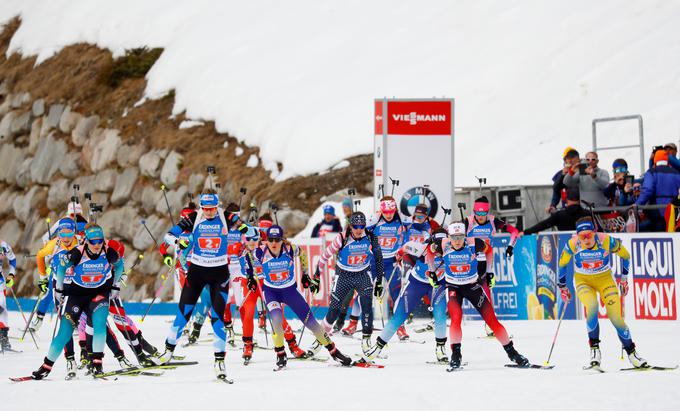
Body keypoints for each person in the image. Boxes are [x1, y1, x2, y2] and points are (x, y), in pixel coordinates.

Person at [158, 189, 247, 381]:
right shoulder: (193, 217)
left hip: (220, 274)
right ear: (201, 207)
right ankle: (168, 350)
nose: (209, 212)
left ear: (217, 206)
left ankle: (219, 361)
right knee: (183, 314)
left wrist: (249, 233)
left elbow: (246, 229)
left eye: (212, 208)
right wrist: (179, 241)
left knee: (218, 318)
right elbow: (167, 237)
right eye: (206, 208)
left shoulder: (226, 216)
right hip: (197, 272)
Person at [245, 225, 352, 369]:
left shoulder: (290, 249)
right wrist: (250, 277)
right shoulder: (260, 252)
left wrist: (305, 274)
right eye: (270, 240)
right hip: (271, 292)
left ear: (282, 240)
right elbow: (248, 257)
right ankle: (281, 354)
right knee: (277, 322)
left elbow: (302, 255)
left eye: (277, 240)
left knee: (312, 323)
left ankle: (334, 351)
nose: (274, 243)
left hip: (290, 291)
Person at [31, 224, 124, 379]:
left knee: (99, 324)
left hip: (99, 293)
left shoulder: (108, 252)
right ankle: (46, 366)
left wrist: (116, 285)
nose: (97, 245)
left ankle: (97, 364)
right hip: (77, 294)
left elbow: (120, 264)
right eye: (93, 241)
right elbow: (61, 267)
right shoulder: (77, 253)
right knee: (65, 332)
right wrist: (59, 289)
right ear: (86, 241)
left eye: (100, 241)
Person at [557, 217, 646, 368]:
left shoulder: (605, 240)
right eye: (582, 236)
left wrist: (624, 280)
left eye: (589, 235)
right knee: (592, 306)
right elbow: (562, 263)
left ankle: (632, 354)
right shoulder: (573, 244)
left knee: (616, 318)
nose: (585, 239)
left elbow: (626, 256)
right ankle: (595, 351)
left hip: (605, 280)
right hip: (583, 281)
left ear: (594, 232)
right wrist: (562, 287)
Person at [438, 223, 529, 370]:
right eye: (454, 237)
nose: (457, 241)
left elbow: (490, 250)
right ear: (449, 237)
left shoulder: (475, 243)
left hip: (472, 286)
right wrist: (430, 271)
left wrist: (489, 271)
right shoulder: (442, 244)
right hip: (453, 287)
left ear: (464, 236)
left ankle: (513, 353)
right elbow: (427, 252)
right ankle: (456, 355)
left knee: (492, 320)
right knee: (456, 318)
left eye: (460, 237)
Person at [364, 229, 449, 363]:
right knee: (399, 316)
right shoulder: (420, 248)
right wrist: (399, 256)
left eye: (443, 246)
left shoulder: (451, 250)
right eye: (436, 245)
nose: (439, 250)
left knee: (440, 316)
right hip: (417, 283)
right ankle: (377, 347)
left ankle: (440, 348)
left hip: (437, 284)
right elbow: (404, 248)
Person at [311, 211, 384, 354]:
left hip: (363, 274)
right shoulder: (342, 238)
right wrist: (316, 277)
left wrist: (380, 281)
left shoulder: (371, 237)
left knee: (367, 305)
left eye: (361, 226)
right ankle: (319, 340)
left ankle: (366, 341)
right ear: (350, 226)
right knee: (334, 310)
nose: (358, 229)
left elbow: (379, 259)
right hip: (343, 275)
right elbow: (325, 256)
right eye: (355, 226)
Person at [237, 225, 307, 363]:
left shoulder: (265, 248)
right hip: (250, 285)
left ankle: (292, 345)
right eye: (248, 239)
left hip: (265, 284)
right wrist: (248, 278)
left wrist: (284, 242)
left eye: (255, 239)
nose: (251, 242)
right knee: (249, 312)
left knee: (278, 316)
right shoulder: (241, 251)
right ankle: (248, 345)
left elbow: (279, 245)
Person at [464, 196, 518, 336]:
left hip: (486, 265)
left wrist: (510, 246)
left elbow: (514, 231)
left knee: (488, 296)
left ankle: (490, 327)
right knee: (460, 293)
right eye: (478, 213)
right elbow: (453, 235)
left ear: (487, 212)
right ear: (474, 211)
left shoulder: (494, 221)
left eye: (484, 214)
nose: (481, 217)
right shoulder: (467, 222)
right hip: (470, 265)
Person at [31, 218, 81, 333]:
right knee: (55, 302)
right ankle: (40, 319)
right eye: (62, 234)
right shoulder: (54, 243)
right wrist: (42, 277)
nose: (66, 238)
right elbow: (40, 255)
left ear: (74, 232)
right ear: (59, 233)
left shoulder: (80, 242)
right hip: (58, 280)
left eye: (70, 234)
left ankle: (79, 324)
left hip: (75, 280)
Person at [637, 149, 680, 231]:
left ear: (655, 160)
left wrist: (637, 205)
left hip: (657, 213)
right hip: (674, 213)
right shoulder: (676, 173)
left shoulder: (651, 172)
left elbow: (647, 190)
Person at [522, 188, 589, 234]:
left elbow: (543, 225)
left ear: (566, 200)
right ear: (580, 200)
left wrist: (526, 232)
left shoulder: (559, 215)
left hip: (564, 247)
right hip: (584, 248)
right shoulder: (588, 214)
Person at [548, 148, 580, 213]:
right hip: (567, 208)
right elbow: (556, 191)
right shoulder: (560, 173)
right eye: (567, 158)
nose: (570, 160)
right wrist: (553, 205)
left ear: (578, 159)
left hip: (582, 207)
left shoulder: (584, 171)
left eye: (572, 157)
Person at [0, 240, 17, 351]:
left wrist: (11, 275)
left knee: (2, 307)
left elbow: (13, 259)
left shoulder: (3, 245)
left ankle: (3, 338)